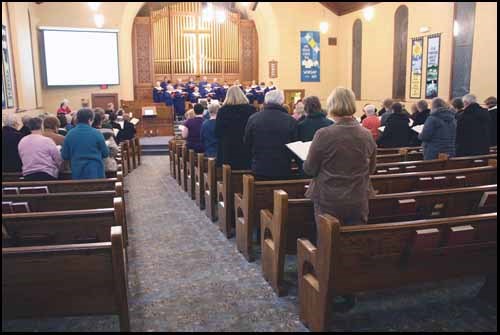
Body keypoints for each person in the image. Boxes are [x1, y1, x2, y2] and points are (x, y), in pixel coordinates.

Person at [303, 87, 376, 312]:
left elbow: (309, 168)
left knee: (327, 244)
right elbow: (371, 167)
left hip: (329, 199)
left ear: (333, 106)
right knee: (352, 244)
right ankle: (349, 289)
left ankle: (327, 290)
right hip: (357, 198)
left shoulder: (324, 135)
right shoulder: (365, 133)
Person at [244, 90, 298, 180]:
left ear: (265, 101)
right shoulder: (290, 120)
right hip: (283, 169)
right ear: (282, 102)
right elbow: (295, 145)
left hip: (260, 168)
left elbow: (247, 142)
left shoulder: (254, 118)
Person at [214, 85, 256, 169]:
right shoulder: (251, 110)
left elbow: (217, 132)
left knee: (227, 176)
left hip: (228, 149)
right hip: (246, 148)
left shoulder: (223, 111)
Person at [61, 108, 109, 179]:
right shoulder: (97, 133)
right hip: (96, 172)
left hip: (77, 172)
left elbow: (65, 155)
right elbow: (105, 153)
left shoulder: (70, 134)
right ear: (90, 120)